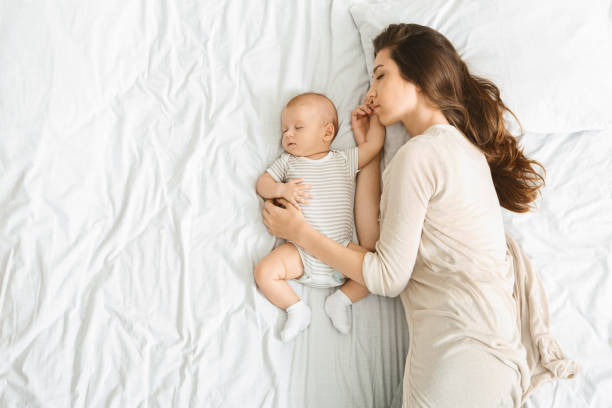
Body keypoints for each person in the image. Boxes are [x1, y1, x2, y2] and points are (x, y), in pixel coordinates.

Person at [261, 24, 577, 406]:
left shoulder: (421, 155)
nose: (370, 92)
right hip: (466, 356)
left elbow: (387, 277)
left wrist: (300, 233)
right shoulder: (450, 152)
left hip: (465, 355)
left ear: (419, 76)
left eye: (380, 75)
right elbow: (374, 247)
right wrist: (370, 154)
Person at [254, 92, 384, 342]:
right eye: (284, 130)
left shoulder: (344, 160)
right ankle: (296, 309)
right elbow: (263, 183)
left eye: (298, 128)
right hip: (300, 252)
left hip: (341, 248)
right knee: (264, 272)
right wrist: (281, 189)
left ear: (327, 132)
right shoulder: (288, 162)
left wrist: (375, 113)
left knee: (376, 272)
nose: (288, 134)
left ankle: (340, 301)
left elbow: (374, 146)